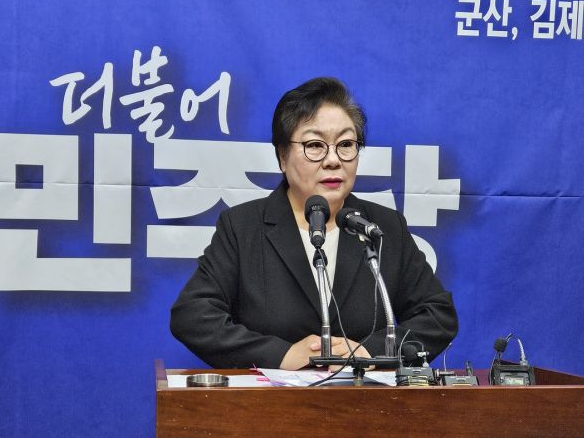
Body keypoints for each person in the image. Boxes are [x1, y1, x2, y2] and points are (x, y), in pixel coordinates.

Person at [171, 77, 457, 370]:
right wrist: (279, 355)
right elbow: (192, 316)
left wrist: (369, 352)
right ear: (282, 156)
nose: (333, 160)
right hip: (271, 396)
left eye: (346, 144)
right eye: (315, 145)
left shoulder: (382, 226)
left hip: (361, 394)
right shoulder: (242, 227)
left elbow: (438, 316)